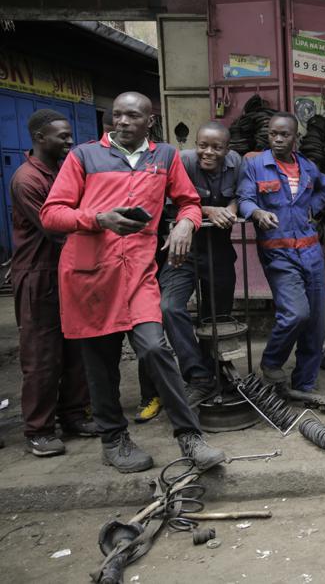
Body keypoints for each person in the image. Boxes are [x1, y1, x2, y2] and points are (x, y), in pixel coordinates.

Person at [39, 91, 225, 473]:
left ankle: (189, 436)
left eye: (131, 116)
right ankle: (115, 440)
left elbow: (188, 200)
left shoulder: (166, 157)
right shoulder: (83, 156)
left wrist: (186, 224)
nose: (121, 122)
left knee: (156, 348)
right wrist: (97, 218)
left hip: (139, 273)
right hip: (91, 276)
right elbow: (52, 214)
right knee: (101, 363)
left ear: (149, 121)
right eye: (116, 115)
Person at [12, 110, 97, 457]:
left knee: (75, 349)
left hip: (65, 271)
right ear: (39, 138)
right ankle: (39, 429)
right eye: (62, 136)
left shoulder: (61, 170)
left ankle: (74, 415)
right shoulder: (27, 179)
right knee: (42, 356)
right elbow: (56, 228)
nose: (70, 141)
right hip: (39, 275)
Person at [237, 112, 325, 393]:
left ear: (295, 138)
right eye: (273, 134)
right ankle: (272, 361)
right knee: (296, 313)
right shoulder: (255, 165)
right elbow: (244, 199)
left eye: (284, 134)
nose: (277, 139)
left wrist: (312, 208)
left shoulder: (308, 167)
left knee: (315, 322)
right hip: (278, 253)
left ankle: (304, 383)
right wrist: (256, 212)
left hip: (311, 251)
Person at [158, 121, 242, 407]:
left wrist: (230, 210)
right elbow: (172, 200)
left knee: (217, 317)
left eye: (217, 147)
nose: (208, 152)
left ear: (227, 149)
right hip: (184, 250)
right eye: (202, 145)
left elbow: (241, 195)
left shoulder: (235, 163)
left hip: (219, 250)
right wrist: (208, 210)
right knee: (169, 307)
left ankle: (215, 371)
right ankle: (198, 376)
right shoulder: (182, 161)